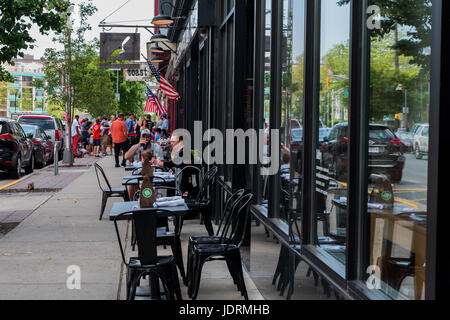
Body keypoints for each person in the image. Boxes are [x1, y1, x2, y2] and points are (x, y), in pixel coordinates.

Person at [125, 129, 163, 199]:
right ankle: (132, 202)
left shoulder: (156, 147)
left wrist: (155, 162)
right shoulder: (136, 146)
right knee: (130, 184)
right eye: (143, 137)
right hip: (138, 173)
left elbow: (161, 161)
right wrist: (138, 145)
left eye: (147, 137)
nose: (145, 139)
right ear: (140, 138)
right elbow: (126, 157)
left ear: (150, 138)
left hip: (153, 173)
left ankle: (151, 199)